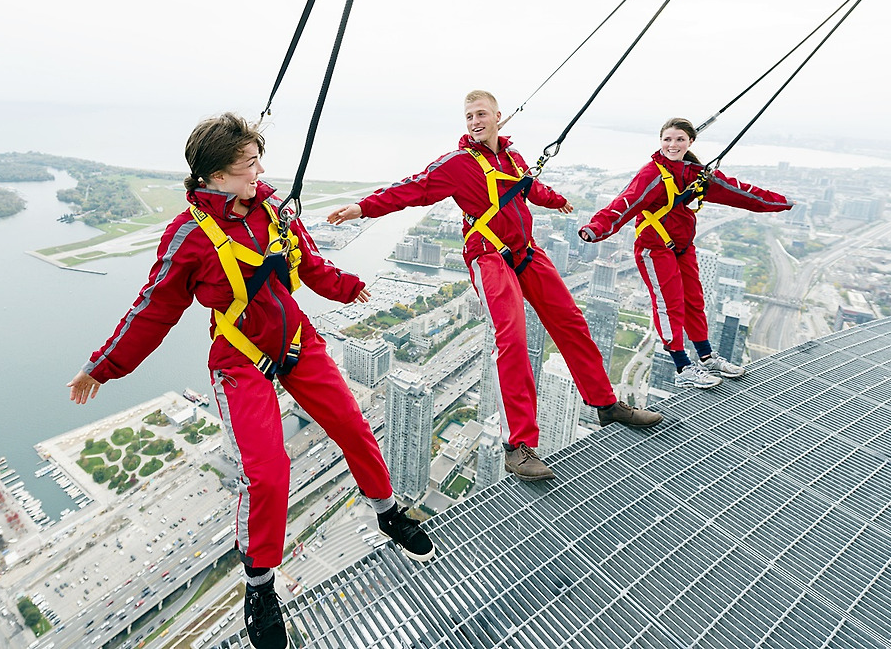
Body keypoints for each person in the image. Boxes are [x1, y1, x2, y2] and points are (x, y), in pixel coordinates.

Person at [67, 113, 433, 649]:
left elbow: (309, 264)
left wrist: (347, 286)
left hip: (295, 342)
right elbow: (152, 310)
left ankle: (386, 512)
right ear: (213, 177)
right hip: (238, 360)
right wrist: (103, 365)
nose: (258, 174)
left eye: (258, 162)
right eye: (247, 168)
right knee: (266, 474)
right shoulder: (189, 236)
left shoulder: (273, 211)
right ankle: (260, 588)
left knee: (354, 427)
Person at [327, 90, 662, 484]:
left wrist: (556, 202)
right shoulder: (457, 164)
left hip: (525, 251)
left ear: (498, 117)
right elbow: (412, 188)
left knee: (571, 321)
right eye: (469, 116)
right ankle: (517, 446)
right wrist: (363, 207)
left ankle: (605, 404)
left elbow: (529, 188)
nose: (474, 121)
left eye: (481, 113)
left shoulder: (513, 158)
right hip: (487, 256)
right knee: (511, 337)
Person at [579, 116, 792, 389]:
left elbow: (740, 193)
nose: (672, 144)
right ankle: (682, 368)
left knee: (694, 301)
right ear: (660, 141)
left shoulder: (695, 174)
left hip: (681, 246)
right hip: (653, 248)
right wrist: (596, 228)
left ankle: (706, 356)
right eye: (667, 139)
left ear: (690, 141)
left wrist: (781, 203)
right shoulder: (652, 173)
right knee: (670, 305)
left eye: (679, 139)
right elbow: (625, 202)